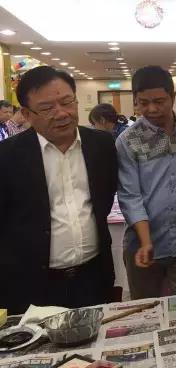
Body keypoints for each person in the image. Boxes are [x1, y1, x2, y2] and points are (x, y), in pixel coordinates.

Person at [0, 66, 118, 314]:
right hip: (31, 284)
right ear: (27, 114)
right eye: (47, 108)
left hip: (93, 277)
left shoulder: (102, 145)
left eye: (67, 102)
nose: (62, 113)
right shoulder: (7, 156)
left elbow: (104, 198)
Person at [116, 66, 176, 299]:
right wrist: (146, 241)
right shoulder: (128, 140)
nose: (151, 109)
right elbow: (130, 196)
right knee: (146, 309)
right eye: (143, 103)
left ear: (172, 97)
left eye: (159, 101)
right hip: (142, 246)